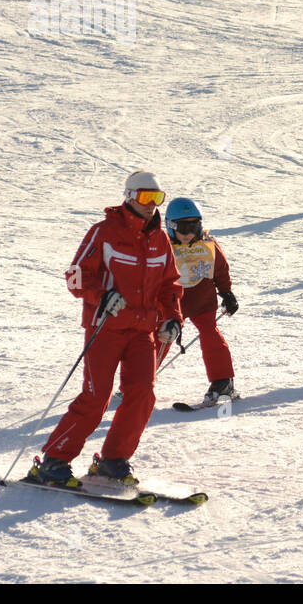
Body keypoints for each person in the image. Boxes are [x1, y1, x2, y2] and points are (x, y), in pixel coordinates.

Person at [31, 171, 183, 487]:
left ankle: (114, 460)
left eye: (158, 198)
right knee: (96, 396)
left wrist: (173, 317)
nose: (152, 205)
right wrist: (102, 296)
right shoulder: (103, 233)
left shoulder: (160, 239)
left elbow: (170, 285)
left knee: (143, 393)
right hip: (105, 328)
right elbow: (74, 276)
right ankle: (54, 461)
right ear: (129, 197)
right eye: (145, 198)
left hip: (143, 331)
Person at [165, 197, 240, 404]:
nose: (189, 232)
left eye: (194, 226)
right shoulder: (163, 245)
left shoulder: (208, 244)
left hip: (202, 297)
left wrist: (226, 293)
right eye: (183, 227)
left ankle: (222, 381)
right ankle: (138, 381)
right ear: (170, 226)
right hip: (172, 300)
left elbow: (221, 269)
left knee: (210, 334)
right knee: (162, 337)